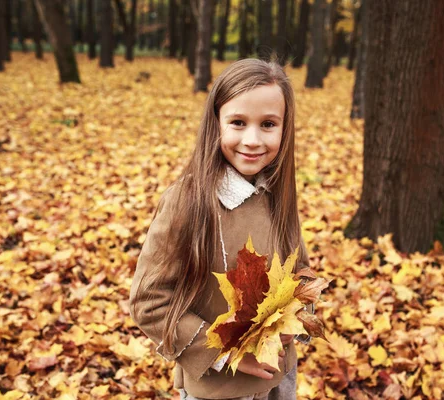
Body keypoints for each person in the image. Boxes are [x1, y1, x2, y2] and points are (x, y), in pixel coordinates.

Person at [129, 58, 313, 400]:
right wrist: (226, 352)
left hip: (280, 378)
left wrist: (296, 319)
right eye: (238, 122)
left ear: (285, 128)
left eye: (269, 124)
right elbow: (149, 301)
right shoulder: (189, 201)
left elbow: (300, 270)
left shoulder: (278, 192)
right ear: (216, 125)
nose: (253, 139)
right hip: (218, 389)